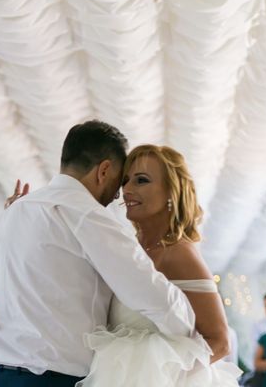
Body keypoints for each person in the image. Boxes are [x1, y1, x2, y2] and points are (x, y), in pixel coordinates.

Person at [0, 121, 196, 387]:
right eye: (119, 182)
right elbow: (148, 293)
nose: (118, 195)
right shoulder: (87, 215)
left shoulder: (13, 212)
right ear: (104, 170)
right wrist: (190, 330)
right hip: (55, 380)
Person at [77, 144, 240, 385]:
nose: (127, 189)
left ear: (170, 193)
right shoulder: (131, 250)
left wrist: (163, 377)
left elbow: (221, 342)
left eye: (141, 180)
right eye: (125, 181)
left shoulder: (180, 254)